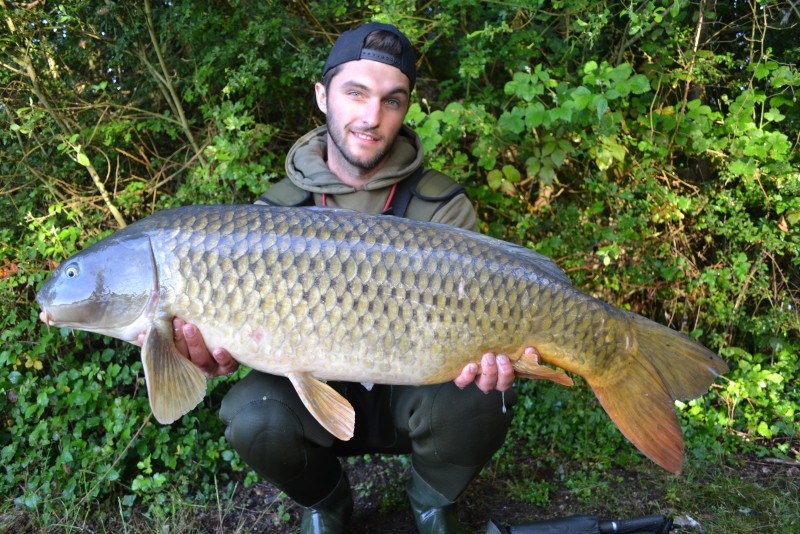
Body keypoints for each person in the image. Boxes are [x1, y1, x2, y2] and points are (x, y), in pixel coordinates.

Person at [171, 22, 537, 534]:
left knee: (485, 395)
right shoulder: (270, 215)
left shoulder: (440, 205)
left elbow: (483, 324)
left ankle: (433, 500)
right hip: (314, 392)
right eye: (356, 93)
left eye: (392, 100)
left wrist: (497, 355)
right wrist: (214, 354)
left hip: (416, 391)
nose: (372, 116)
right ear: (323, 96)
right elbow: (235, 342)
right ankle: (325, 502)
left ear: (405, 109)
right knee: (252, 415)